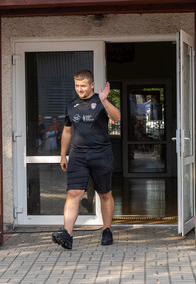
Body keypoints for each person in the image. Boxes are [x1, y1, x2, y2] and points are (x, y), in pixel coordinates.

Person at [52, 69, 121, 249]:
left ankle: (107, 230)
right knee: (73, 193)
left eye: (83, 86)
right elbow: (67, 131)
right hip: (78, 155)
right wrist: (63, 155)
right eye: (77, 86)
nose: (80, 89)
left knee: (104, 194)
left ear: (91, 85)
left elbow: (117, 117)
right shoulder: (71, 105)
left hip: (101, 154)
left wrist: (105, 101)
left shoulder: (101, 100)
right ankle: (67, 234)